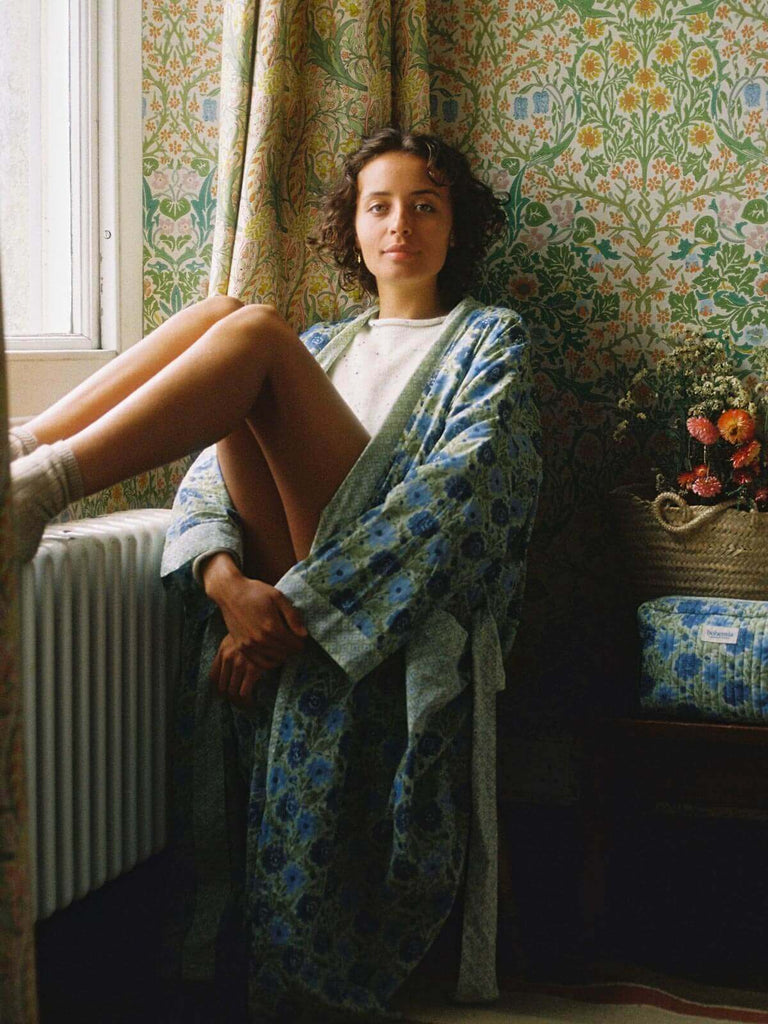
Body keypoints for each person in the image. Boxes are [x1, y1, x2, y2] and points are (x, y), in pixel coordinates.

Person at [9, 128, 542, 1022]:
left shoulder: (489, 340)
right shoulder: (328, 341)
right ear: (354, 228)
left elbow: (459, 501)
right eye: (379, 205)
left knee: (251, 331)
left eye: (425, 205)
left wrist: (292, 609)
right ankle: (23, 457)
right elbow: (207, 476)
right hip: (277, 555)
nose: (400, 224)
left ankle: (41, 488)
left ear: (458, 230)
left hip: (357, 576)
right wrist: (226, 586)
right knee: (221, 315)